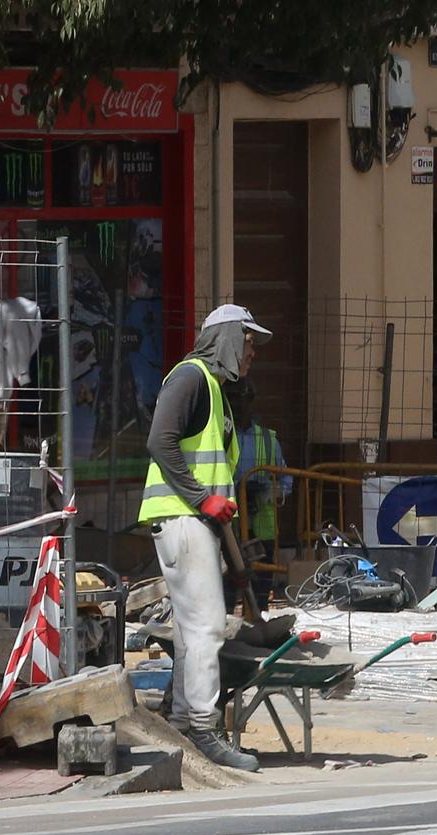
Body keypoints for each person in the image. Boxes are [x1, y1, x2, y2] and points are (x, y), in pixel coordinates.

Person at [139, 304, 272, 772]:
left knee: (189, 628)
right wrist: (202, 500)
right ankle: (203, 727)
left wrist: (211, 507)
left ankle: (180, 720)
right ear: (228, 338)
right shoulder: (192, 378)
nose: (252, 352)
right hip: (183, 517)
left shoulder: (212, 389)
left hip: (190, 519)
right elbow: (160, 441)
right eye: (249, 342)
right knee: (206, 627)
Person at [233, 381, 293, 602]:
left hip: (262, 525)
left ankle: (259, 619)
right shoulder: (223, 436)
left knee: (261, 581)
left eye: (242, 400)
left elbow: (287, 478)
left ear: (250, 402)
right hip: (232, 523)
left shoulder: (268, 440)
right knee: (229, 583)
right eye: (234, 401)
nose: (238, 406)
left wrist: (271, 491)